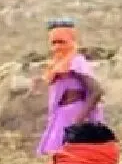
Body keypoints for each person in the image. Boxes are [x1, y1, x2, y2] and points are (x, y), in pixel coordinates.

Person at [34, 19, 105, 155]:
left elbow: (96, 91)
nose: (57, 47)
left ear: (71, 41)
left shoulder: (76, 61)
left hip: (74, 116)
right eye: (54, 43)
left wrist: (78, 121)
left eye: (61, 42)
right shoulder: (57, 64)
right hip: (60, 116)